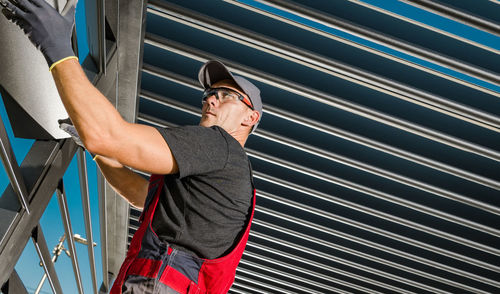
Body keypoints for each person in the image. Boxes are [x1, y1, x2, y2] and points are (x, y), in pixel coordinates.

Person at [1, 0, 262, 293]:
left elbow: (110, 135)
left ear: (250, 118)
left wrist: (56, 46)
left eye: (226, 95)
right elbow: (141, 195)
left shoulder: (219, 146)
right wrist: (97, 149)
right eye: (209, 93)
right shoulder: (224, 179)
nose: (210, 99)